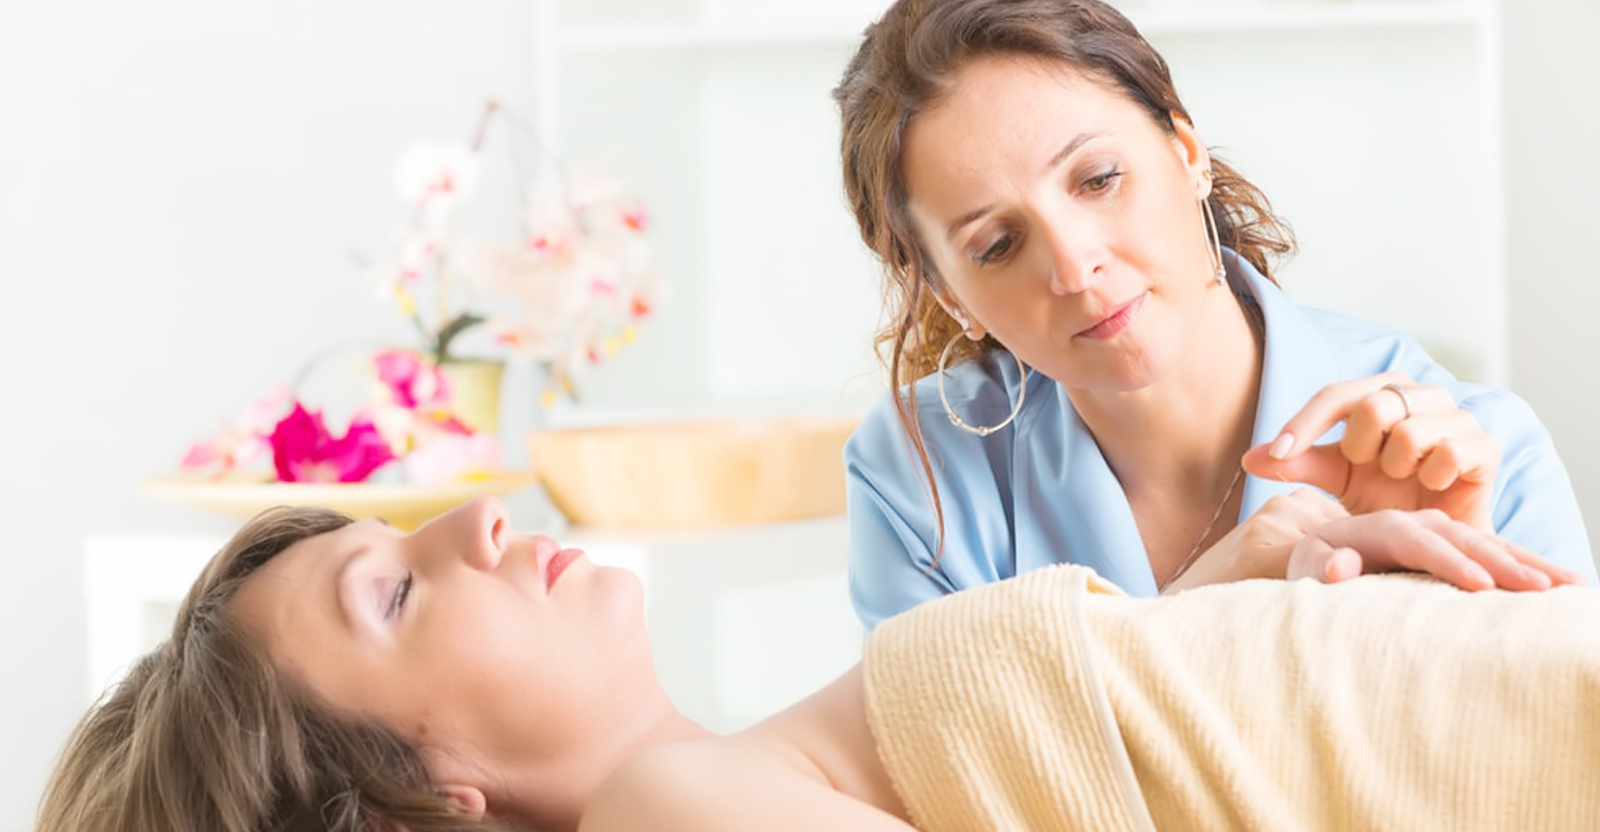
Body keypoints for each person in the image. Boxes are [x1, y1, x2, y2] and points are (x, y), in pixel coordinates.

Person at [35, 496, 1600, 832]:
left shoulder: (731, 776)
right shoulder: (662, 808)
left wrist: (1207, 605)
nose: (474, 517)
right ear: (427, 801)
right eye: (395, 593)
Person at [832, 0, 1595, 627]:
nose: (1074, 267)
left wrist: (1461, 616)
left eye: (1098, 179)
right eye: (997, 244)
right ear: (949, 296)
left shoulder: (1477, 455)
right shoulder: (917, 474)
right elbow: (934, 792)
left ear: (1187, 151)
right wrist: (1199, 608)